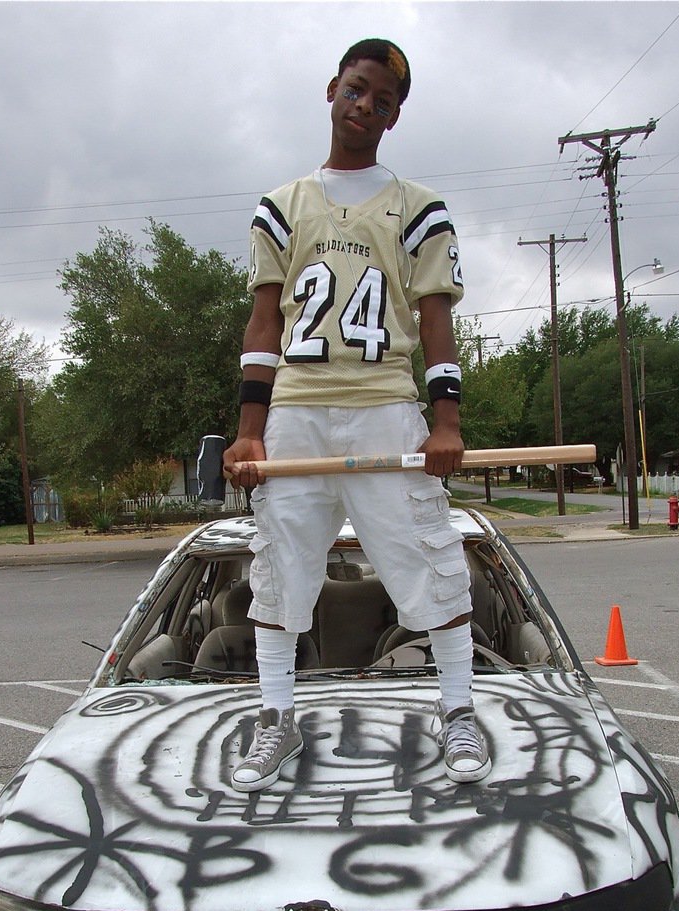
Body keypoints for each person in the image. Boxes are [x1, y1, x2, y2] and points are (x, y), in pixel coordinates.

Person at [223, 37, 491, 793]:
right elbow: (264, 321)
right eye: (357, 88)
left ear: (394, 117)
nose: (365, 105)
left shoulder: (419, 208)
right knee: (280, 565)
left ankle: (459, 708)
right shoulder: (283, 205)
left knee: (429, 556)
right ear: (332, 89)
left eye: (383, 100)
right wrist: (249, 427)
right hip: (298, 408)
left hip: (382, 403)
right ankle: (276, 715)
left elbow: (435, 321)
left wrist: (447, 422)